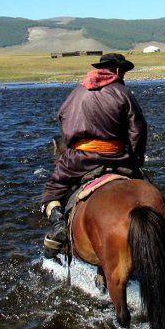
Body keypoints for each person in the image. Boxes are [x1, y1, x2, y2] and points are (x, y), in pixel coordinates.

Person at [41, 53, 148, 258]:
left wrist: (74, 144)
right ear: (117, 70)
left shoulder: (76, 92)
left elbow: (63, 118)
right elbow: (138, 129)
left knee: (51, 191)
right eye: (123, 71)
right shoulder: (123, 92)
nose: (123, 75)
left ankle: (57, 226)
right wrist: (136, 157)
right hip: (118, 156)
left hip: (80, 159)